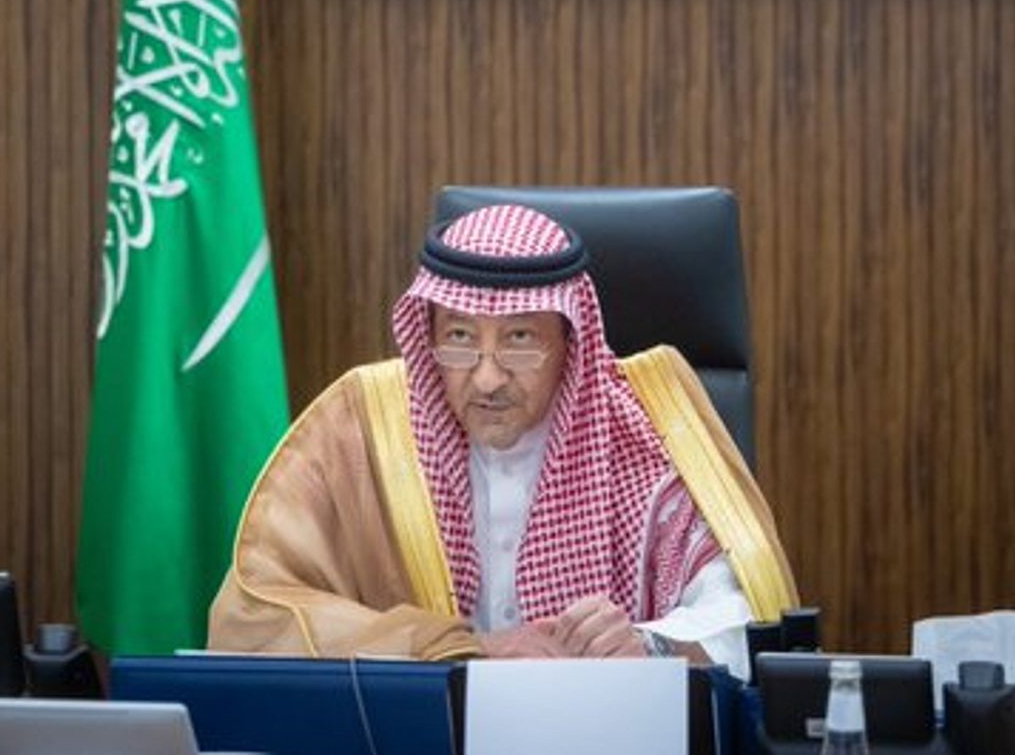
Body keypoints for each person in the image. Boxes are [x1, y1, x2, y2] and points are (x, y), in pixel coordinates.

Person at [208, 204, 798, 677]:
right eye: (460, 338)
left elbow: (749, 618)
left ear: (570, 343)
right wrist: (457, 649)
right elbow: (255, 614)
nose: (487, 378)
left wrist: (653, 645)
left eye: (519, 339)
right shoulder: (360, 429)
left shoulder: (643, 431)